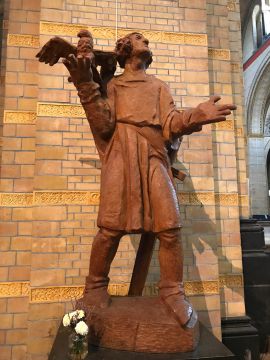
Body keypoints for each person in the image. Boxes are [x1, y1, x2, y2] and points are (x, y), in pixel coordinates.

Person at [42, 32, 236, 328]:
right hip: (121, 154)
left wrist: (197, 114)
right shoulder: (114, 85)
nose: (146, 40)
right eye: (138, 38)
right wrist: (86, 86)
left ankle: (172, 291)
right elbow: (104, 124)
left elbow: (171, 123)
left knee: (170, 227)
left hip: (153, 157)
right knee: (110, 229)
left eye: (145, 38)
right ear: (126, 49)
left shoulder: (159, 86)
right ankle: (95, 289)